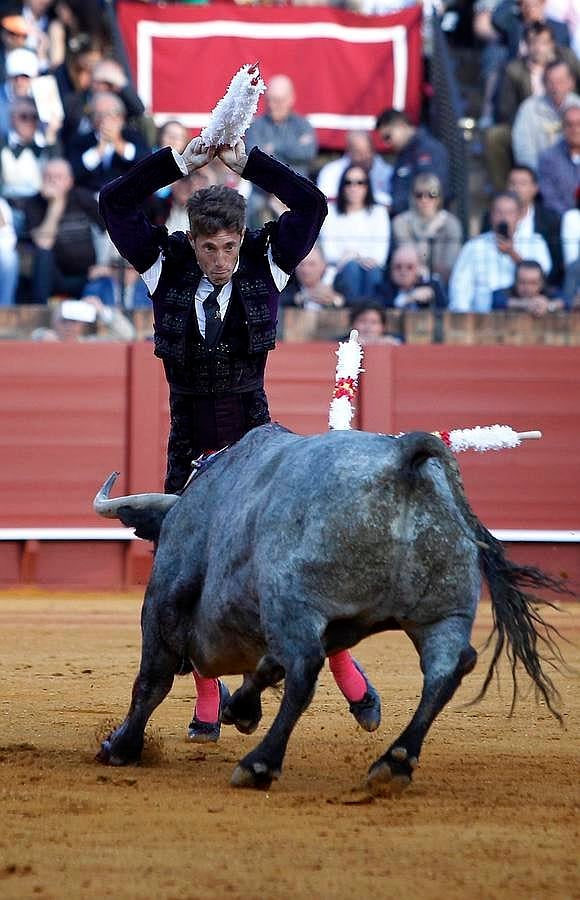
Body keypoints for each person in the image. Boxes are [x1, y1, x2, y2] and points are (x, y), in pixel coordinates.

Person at [99, 134, 381, 743]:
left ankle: (342, 662)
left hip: (256, 448)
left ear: (240, 239)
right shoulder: (165, 266)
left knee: (285, 570)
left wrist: (247, 162)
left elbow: (311, 205)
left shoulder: (266, 261)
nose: (221, 258)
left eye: (229, 245)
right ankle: (207, 699)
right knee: (182, 580)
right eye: (209, 247)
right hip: (190, 447)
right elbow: (114, 202)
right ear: (191, 240)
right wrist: (181, 160)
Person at [449, 191, 552, 312]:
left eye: (509, 213)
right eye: (499, 212)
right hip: (482, 320)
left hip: (527, 317)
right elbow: (460, 288)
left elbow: (543, 278)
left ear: (520, 215)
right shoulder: (474, 247)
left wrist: (512, 253)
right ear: (491, 215)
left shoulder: (536, 242)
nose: (504, 218)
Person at [21, 157, 105, 304]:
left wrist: (104, 265)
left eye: (58, 177)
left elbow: (110, 231)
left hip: (88, 275)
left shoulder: (82, 198)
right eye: (48, 177)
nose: (53, 181)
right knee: (43, 255)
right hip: (53, 276)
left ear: (70, 181)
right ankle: (39, 311)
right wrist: (56, 205)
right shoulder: (34, 203)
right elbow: (44, 243)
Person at [244, 74, 317, 227]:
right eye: (269, 99)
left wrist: (274, 148)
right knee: (251, 210)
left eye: (278, 100)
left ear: (291, 99)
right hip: (263, 192)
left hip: (296, 190)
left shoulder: (303, 125)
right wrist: (293, 149)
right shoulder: (256, 126)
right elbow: (254, 158)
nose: (272, 105)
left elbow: (308, 153)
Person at [319, 164, 390, 303]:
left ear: (367, 186)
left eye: (360, 183)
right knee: (352, 268)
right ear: (342, 186)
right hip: (339, 271)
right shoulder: (331, 212)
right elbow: (330, 253)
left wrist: (354, 255)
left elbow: (380, 257)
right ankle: (354, 314)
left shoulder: (379, 212)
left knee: (372, 271)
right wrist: (357, 258)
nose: (354, 187)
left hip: (371, 271)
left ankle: (368, 314)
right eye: (348, 182)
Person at [68, 90, 149, 193]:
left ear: (121, 117)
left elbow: (144, 163)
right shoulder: (80, 140)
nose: (104, 120)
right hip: (88, 199)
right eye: (98, 114)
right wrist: (98, 150)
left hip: (126, 196)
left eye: (110, 114)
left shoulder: (134, 136)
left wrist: (117, 143)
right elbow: (74, 171)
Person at [375, 108, 450, 216]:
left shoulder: (428, 150)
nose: (387, 144)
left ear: (401, 125)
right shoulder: (404, 154)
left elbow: (432, 191)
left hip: (427, 223)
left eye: (388, 137)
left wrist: (395, 206)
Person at [391, 172, 462, 284]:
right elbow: (410, 260)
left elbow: (450, 265)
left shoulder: (451, 223)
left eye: (431, 194)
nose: (425, 199)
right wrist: (430, 233)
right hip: (409, 281)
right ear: (413, 197)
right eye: (419, 195)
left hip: (442, 283)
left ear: (439, 197)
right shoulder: (400, 222)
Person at [511, 60, 580, 170]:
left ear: (571, 82)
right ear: (543, 83)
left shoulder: (578, 106)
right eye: (551, 82)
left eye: (560, 81)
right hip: (539, 174)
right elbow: (523, 150)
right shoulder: (528, 108)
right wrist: (538, 175)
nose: (556, 88)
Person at [506, 165, 564, 285]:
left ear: (535, 188)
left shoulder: (550, 219)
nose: (516, 188)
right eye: (512, 183)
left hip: (541, 290)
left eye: (522, 183)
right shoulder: (493, 216)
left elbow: (556, 267)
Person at [316, 129, 392, 206]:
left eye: (367, 151)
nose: (364, 157)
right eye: (358, 153)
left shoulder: (388, 172)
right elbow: (325, 203)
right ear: (349, 152)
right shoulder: (330, 172)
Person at [537, 104, 580, 214]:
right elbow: (550, 198)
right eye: (569, 124)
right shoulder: (548, 158)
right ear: (562, 128)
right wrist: (571, 218)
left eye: (578, 124)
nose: (574, 129)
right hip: (561, 221)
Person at [379, 243, 448, 310]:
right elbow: (381, 311)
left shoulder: (432, 285)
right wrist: (408, 298)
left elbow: (444, 311)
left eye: (409, 267)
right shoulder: (382, 289)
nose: (403, 272)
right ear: (391, 268)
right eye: (398, 267)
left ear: (419, 268)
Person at [280, 243, 345, 309]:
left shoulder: (336, 280)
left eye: (312, 264)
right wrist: (303, 297)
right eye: (301, 264)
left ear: (323, 265)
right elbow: (279, 300)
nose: (305, 270)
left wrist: (333, 300)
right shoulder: (287, 281)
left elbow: (349, 302)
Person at [491, 258, 566, 312]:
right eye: (522, 282)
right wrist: (524, 304)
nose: (527, 288)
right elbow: (496, 300)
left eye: (533, 283)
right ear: (516, 281)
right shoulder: (505, 292)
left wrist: (548, 305)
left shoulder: (549, 292)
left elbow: (566, 300)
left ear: (541, 283)